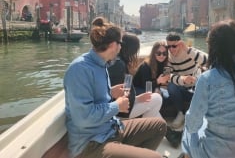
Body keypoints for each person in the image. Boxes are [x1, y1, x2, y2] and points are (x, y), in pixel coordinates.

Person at [64, 20, 167, 158]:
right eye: (120, 44)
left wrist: (110, 92)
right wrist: (117, 105)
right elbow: (84, 118)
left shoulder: (102, 65)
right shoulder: (80, 69)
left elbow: (96, 99)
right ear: (113, 45)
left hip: (111, 129)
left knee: (159, 126)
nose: (121, 48)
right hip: (91, 144)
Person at [181, 19, 235, 158]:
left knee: (188, 130)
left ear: (214, 47)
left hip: (215, 153)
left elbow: (192, 125)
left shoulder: (207, 79)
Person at [108, 33, 163, 119]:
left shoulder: (117, 62)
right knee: (157, 98)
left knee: (156, 112)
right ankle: (147, 127)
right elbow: (121, 93)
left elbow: (123, 92)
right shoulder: (119, 65)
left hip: (125, 104)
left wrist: (137, 98)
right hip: (122, 111)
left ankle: (158, 127)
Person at [166, 32, 208, 129]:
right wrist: (182, 79)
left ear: (180, 44)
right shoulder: (168, 57)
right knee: (171, 86)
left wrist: (188, 50)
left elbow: (207, 61)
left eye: (174, 46)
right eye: (169, 46)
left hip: (195, 90)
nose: (171, 49)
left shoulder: (190, 52)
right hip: (181, 89)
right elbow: (167, 76)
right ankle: (181, 113)